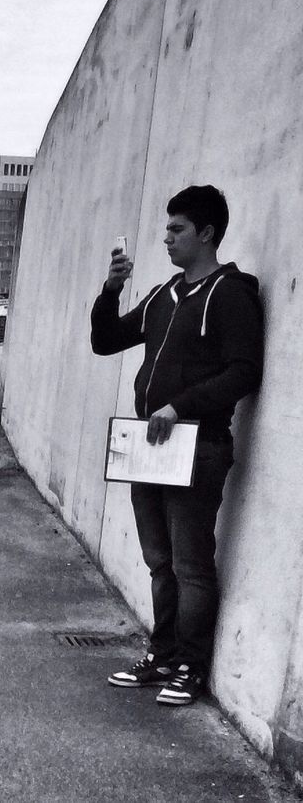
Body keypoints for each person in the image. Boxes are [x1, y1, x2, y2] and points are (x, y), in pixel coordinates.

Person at [91, 185, 263, 706]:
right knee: (159, 560)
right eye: (166, 228)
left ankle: (190, 665)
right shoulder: (165, 294)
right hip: (149, 443)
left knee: (191, 564)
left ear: (207, 233)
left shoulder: (230, 293)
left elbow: (245, 372)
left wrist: (180, 405)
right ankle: (162, 654)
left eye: (177, 229)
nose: (166, 238)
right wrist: (110, 289)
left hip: (198, 444)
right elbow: (105, 341)